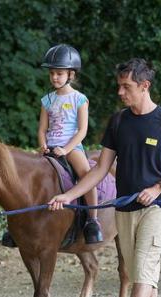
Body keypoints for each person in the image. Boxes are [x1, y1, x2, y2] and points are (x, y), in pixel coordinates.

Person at [48, 58, 161, 297]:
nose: (120, 92)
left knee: (144, 265)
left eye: (126, 87)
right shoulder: (119, 122)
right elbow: (98, 170)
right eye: (119, 86)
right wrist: (69, 195)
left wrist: (158, 188)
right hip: (125, 208)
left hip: (158, 206)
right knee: (140, 268)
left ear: (144, 86)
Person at [39, 44, 102, 243]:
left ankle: (93, 220)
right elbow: (42, 129)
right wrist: (42, 145)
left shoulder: (79, 99)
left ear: (71, 75)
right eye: (52, 74)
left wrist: (66, 149)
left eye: (59, 73)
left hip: (71, 146)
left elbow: (82, 130)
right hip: (50, 146)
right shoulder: (47, 100)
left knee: (86, 174)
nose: (55, 77)